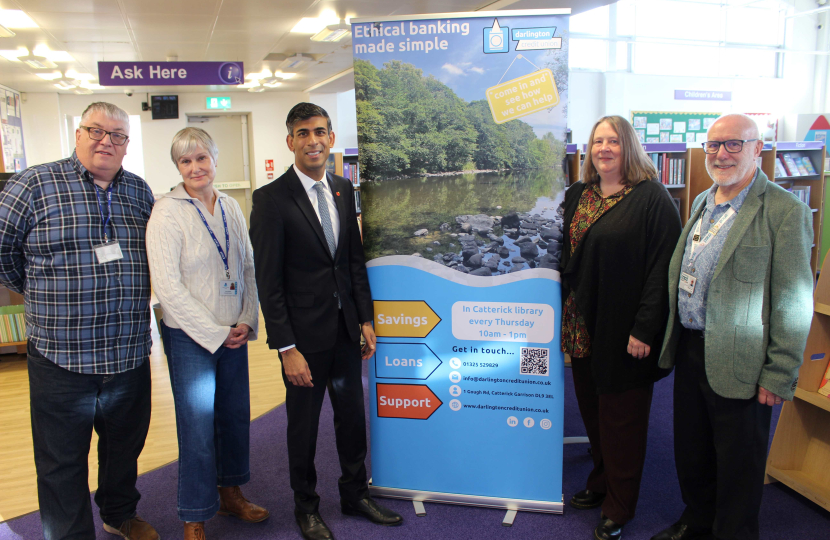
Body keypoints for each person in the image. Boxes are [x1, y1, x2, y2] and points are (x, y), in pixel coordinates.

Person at [0, 102, 159, 540]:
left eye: (118, 136)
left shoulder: (139, 192)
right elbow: (3, 254)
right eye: (96, 131)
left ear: (127, 144)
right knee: (61, 460)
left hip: (127, 354)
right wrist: (41, 292)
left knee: (124, 449)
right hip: (60, 357)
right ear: (78, 133)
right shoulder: (33, 184)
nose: (106, 141)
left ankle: (119, 513)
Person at [652, 114, 813, 540]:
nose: (720, 154)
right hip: (691, 347)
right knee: (693, 451)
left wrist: (779, 373)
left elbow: (794, 302)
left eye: (734, 145)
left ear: (758, 148)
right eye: (713, 145)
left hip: (744, 360)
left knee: (739, 464)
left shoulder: (784, 211)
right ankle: (697, 520)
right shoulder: (704, 201)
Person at [249, 102, 402, 540]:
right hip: (303, 339)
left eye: (319, 131)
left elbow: (352, 263)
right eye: (302, 133)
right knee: (304, 426)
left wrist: (366, 319)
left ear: (331, 138)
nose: (312, 140)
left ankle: (355, 495)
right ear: (290, 141)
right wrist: (286, 348)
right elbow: (269, 283)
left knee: (352, 418)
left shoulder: (342, 188)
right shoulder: (271, 200)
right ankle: (307, 507)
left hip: (344, 331)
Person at [559, 115, 681, 540]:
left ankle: (620, 505)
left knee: (623, 423)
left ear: (629, 147)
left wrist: (646, 329)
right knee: (593, 414)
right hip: (581, 324)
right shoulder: (580, 192)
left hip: (625, 330)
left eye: (613, 141)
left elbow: (663, 270)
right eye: (597, 142)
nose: (604, 148)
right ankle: (600, 482)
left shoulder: (652, 199)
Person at [146, 127, 268, 539]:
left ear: (215, 160)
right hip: (190, 340)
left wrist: (248, 319)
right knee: (197, 428)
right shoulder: (167, 212)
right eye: (185, 161)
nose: (195, 167)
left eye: (202, 158)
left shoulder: (232, 206)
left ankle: (231, 493)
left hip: (234, 332)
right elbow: (168, 289)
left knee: (234, 418)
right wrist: (215, 333)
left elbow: (248, 268)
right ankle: (194, 515)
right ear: (177, 167)